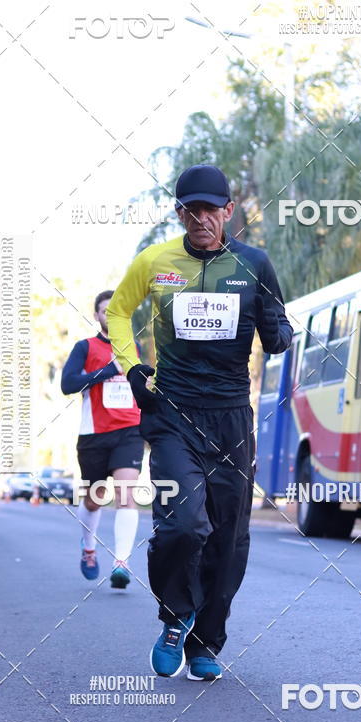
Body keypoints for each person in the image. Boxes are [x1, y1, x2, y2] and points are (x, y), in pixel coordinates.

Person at [107, 163, 293, 681]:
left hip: (232, 416)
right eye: (191, 209)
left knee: (227, 536)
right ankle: (174, 618)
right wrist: (132, 366)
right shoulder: (155, 261)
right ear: (179, 211)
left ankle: (206, 643)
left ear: (229, 211)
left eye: (211, 209)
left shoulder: (254, 264)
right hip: (172, 414)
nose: (201, 218)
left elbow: (279, 324)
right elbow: (118, 313)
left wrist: (278, 333)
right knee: (183, 524)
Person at [61, 290, 144, 588]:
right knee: (95, 499)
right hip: (94, 435)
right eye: (104, 310)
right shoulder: (85, 347)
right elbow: (67, 384)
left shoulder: (133, 347)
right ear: (96, 315)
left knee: (126, 495)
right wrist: (108, 370)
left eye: (115, 309)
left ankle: (121, 563)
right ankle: (88, 548)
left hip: (130, 431)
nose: (110, 314)